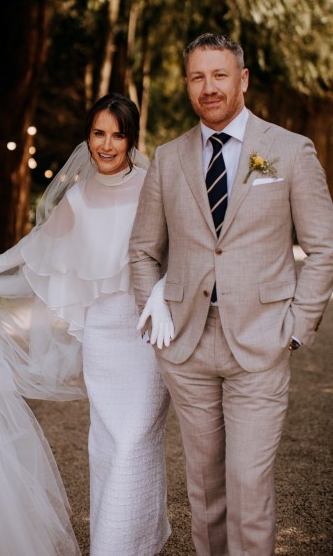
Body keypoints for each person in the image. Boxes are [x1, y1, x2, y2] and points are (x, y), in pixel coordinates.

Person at [129, 33, 333, 556]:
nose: (208, 87)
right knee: (205, 489)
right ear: (187, 85)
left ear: (242, 80)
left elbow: (324, 247)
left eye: (219, 75)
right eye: (197, 76)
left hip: (261, 344)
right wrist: (153, 316)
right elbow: (143, 250)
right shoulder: (169, 158)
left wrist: (295, 328)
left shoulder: (289, 150)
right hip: (187, 348)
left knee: (249, 486)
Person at [0, 93, 171, 556]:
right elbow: (33, 248)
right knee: (109, 443)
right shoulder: (77, 197)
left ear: (131, 139)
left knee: (136, 440)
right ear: (88, 136)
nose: (107, 145)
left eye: (118, 134)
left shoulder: (156, 187)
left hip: (146, 335)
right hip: (103, 338)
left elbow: (179, 253)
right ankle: (133, 539)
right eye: (98, 133)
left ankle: (120, 545)